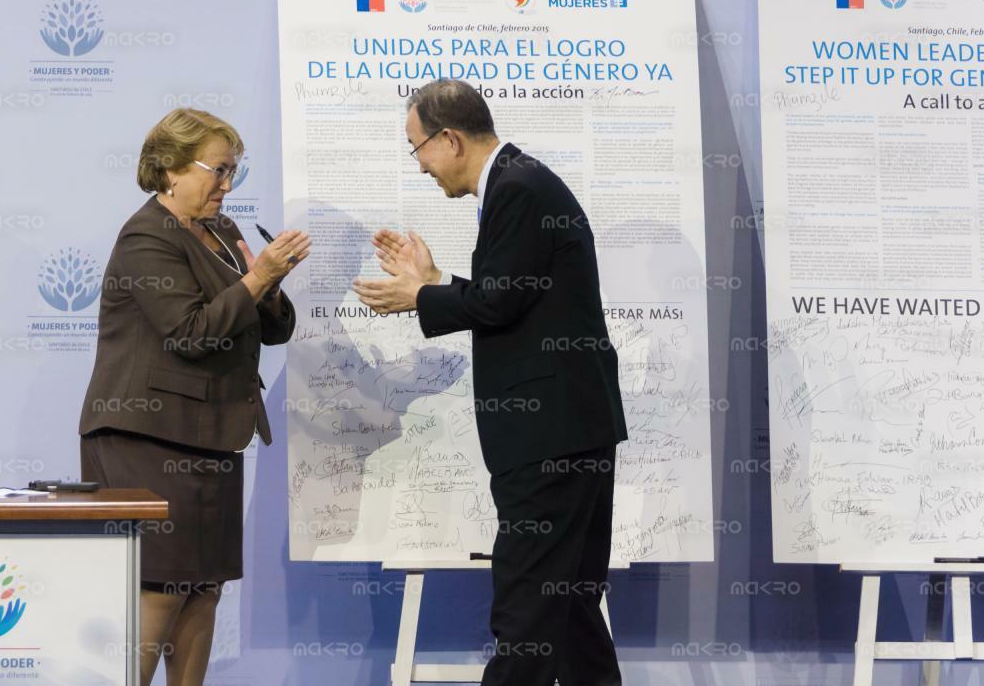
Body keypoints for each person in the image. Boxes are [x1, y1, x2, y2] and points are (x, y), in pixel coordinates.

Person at [352, 79, 628, 685]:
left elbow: (498, 304)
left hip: (550, 439)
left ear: (449, 138)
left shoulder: (519, 189)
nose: (420, 165)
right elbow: (513, 295)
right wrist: (435, 280)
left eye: (417, 148)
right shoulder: (520, 182)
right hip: (570, 430)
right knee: (571, 605)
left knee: (528, 614)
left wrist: (419, 294)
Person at [79, 108, 310, 686]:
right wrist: (255, 281)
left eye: (235, 172)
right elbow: (188, 333)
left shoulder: (226, 234)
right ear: (170, 169)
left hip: (211, 434)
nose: (228, 186)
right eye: (219, 170)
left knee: (203, 588)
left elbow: (273, 328)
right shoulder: (145, 235)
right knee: (161, 585)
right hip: (148, 437)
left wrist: (268, 281)